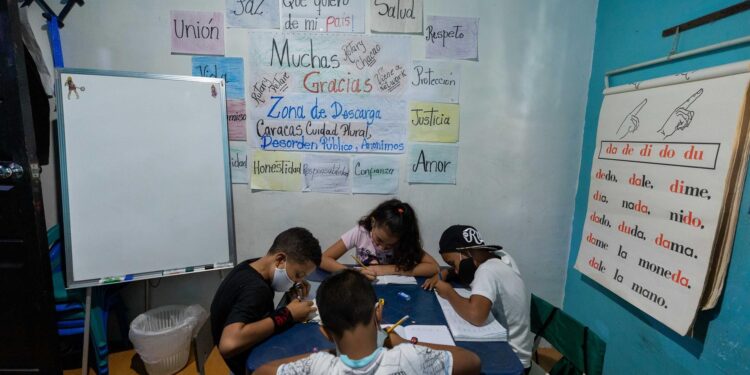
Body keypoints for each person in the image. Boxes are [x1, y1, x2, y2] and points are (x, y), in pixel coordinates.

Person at [255, 269, 481, 375]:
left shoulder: (319, 367)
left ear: (325, 332)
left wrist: (329, 352)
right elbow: (471, 360)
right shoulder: (410, 358)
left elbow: (262, 371)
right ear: (379, 313)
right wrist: (400, 342)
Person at [210, 227, 321, 375]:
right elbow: (229, 344)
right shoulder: (257, 290)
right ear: (280, 260)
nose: (299, 281)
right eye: (298, 274)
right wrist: (288, 314)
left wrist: (294, 284)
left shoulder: (249, 266)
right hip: (246, 365)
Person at [424, 225, 533, 373]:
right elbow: (465, 272)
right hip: (522, 354)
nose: (455, 270)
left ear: (466, 252)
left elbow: (476, 316)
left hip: (511, 361)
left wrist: (449, 292)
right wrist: (445, 274)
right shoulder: (501, 257)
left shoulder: (486, 270)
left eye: (452, 263)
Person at [320, 199, 439, 280]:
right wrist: (353, 273)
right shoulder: (360, 232)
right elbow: (322, 259)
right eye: (380, 240)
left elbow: (434, 267)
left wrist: (389, 269)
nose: (382, 247)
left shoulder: (404, 241)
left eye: (390, 245)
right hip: (364, 290)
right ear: (373, 222)